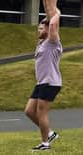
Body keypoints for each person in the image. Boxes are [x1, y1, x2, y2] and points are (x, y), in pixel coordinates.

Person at [24, 14, 62, 151]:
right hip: (41, 82)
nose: (38, 31)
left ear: (48, 30)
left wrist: (55, 13)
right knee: (29, 111)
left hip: (50, 82)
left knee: (42, 113)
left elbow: (53, 26)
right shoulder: (41, 43)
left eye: (41, 29)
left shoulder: (53, 42)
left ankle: (45, 144)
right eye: (38, 28)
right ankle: (50, 133)